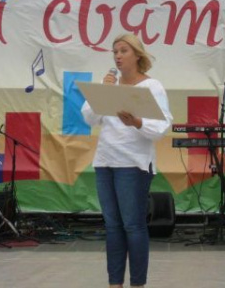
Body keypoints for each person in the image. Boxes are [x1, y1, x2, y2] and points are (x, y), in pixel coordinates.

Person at [82, 33, 172, 288]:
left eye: (123, 51)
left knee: (133, 226)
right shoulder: (110, 84)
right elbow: (89, 118)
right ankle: (114, 284)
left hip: (133, 165)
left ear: (137, 54)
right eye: (115, 52)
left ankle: (137, 284)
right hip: (105, 162)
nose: (118, 56)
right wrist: (104, 91)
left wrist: (137, 122)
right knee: (112, 227)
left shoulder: (151, 87)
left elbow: (161, 127)